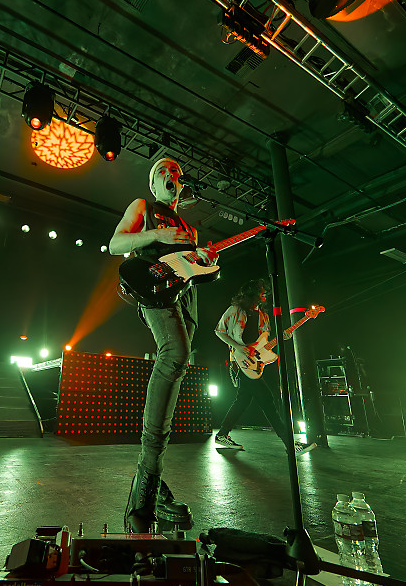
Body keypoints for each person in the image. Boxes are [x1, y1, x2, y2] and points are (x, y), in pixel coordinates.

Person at [109, 157, 218, 533]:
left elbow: (193, 270)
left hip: (185, 297)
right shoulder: (144, 207)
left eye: (176, 172)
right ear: (153, 184)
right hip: (154, 288)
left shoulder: (189, 228)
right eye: (163, 173)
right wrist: (156, 235)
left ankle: (154, 486)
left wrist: (205, 260)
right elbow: (115, 244)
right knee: (175, 354)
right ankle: (145, 486)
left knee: (180, 361)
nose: (171, 176)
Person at [214, 278, 317, 454]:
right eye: (261, 290)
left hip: (254, 363)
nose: (265, 293)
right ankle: (291, 445)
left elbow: (264, 342)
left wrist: (283, 337)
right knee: (267, 401)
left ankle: (222, 434)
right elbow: (219, 331)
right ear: (252, 293)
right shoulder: (235, 310)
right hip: (240, 361)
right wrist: (239, 347)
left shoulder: (263, 315)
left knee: (242, 401)